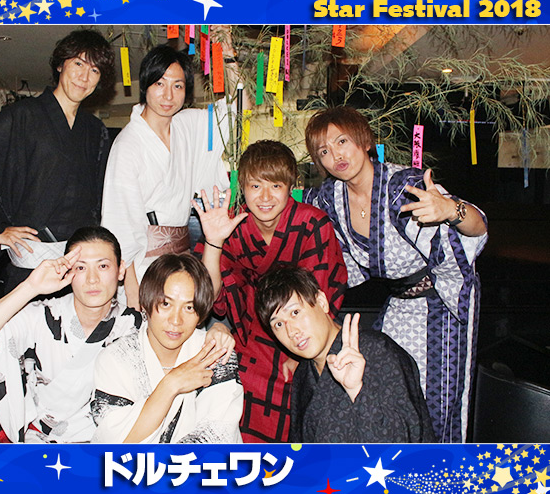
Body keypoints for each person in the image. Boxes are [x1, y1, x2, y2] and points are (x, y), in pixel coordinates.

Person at [305, 106, 488, 443]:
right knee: (391, 394)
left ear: (364, 140)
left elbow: (478, 227)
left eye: (342, 141)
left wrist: (450, 210)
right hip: (397, 304)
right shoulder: (329, 198)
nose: (336, 155)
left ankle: (439, 470)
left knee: (438, 404)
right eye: (324, 151)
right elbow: (324, 255)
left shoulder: (404, 185)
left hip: (441, 303)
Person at [0, 227, 234, 443]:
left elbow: (184, 316)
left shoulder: (134, 323)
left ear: (121, 270)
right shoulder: (40, 317)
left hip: (111, 449)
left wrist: (218, 329)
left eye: (103, 266)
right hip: (42, 448)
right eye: (80, 267)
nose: (92, 279)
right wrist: (30, 287)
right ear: (67, 271)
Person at [193, 140, 348, 443]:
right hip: (249, 329)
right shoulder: (232, 224)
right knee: (239, 393)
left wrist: (301, 353)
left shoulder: (311, 224)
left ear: (291, 186)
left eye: (275, 186)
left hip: (303, 330)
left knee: (303, 398)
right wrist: (213, 242)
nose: (265, 197)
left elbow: (322, 295)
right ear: (242, 188)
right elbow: (208, 297)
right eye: (255, 186)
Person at [0, 29, 116, 294]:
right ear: (60, 64)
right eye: (78, 64)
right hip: (30, 265)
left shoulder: (95, 131)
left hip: (79, 267)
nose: (84, 77)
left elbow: (101, 198)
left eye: (94, 70)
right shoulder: (21, 117)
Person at [101, 26, 240, 310]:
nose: (168, 95)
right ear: (146, 86)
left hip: (182, 260)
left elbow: (237, 109)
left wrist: (226, 52)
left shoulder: (187, 125)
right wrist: (131, 292)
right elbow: (119, 225)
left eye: (177, 86)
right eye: (160, 84)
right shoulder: (128, 144)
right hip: (143, 268)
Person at [255, 266, 435, 443]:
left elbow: (405, 445)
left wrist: (357, 391)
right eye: (278, 324)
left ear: (321, 302)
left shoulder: (377, 351)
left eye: (295, 312)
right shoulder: (303, 373)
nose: (291, 332)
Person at [91, 254, 243, 443]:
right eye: (166, 304)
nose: (176, 320)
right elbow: (114, 444)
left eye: (189, 308)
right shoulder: (116, 358)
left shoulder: (216, 353)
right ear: (145, 303)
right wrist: (171, 384)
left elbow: (216, 438)